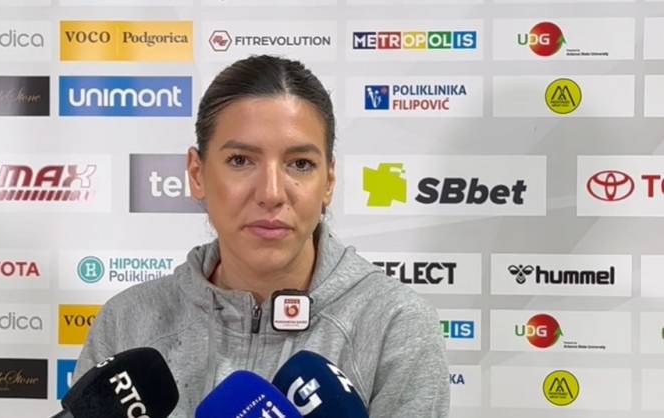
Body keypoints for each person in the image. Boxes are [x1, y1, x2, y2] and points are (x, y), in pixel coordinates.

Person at [74, 55, 449, 417]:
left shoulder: (393, 324)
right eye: (240, 160)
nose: (271, 193)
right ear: (197, 174)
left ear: (329, 181)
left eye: (300, 164)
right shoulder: (129, 322)